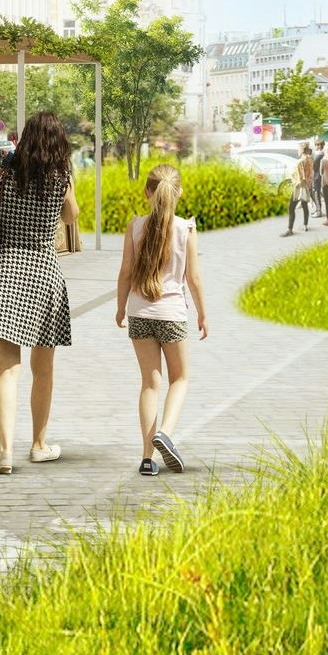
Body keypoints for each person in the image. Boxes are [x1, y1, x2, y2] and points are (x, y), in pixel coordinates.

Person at [0, 112, 84, 474]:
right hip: (44, 276)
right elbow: (72, 218)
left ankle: (6, 452)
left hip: (5, 272)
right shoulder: (61, 176)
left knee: (7, 372)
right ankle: (38, 445)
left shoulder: (4, 172)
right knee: (43, 371)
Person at [115, 164, 204, 476]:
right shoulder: (186, 229)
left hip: (139, 312)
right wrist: (203, 313)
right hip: (172, 314)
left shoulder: (135, 226)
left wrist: (120, 307)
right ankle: (165, 431)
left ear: (146, 192)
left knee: (150, 384)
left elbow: (125, 272)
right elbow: (192, 278)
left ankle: (148, 459)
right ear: (178, 192)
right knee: (180, 378)